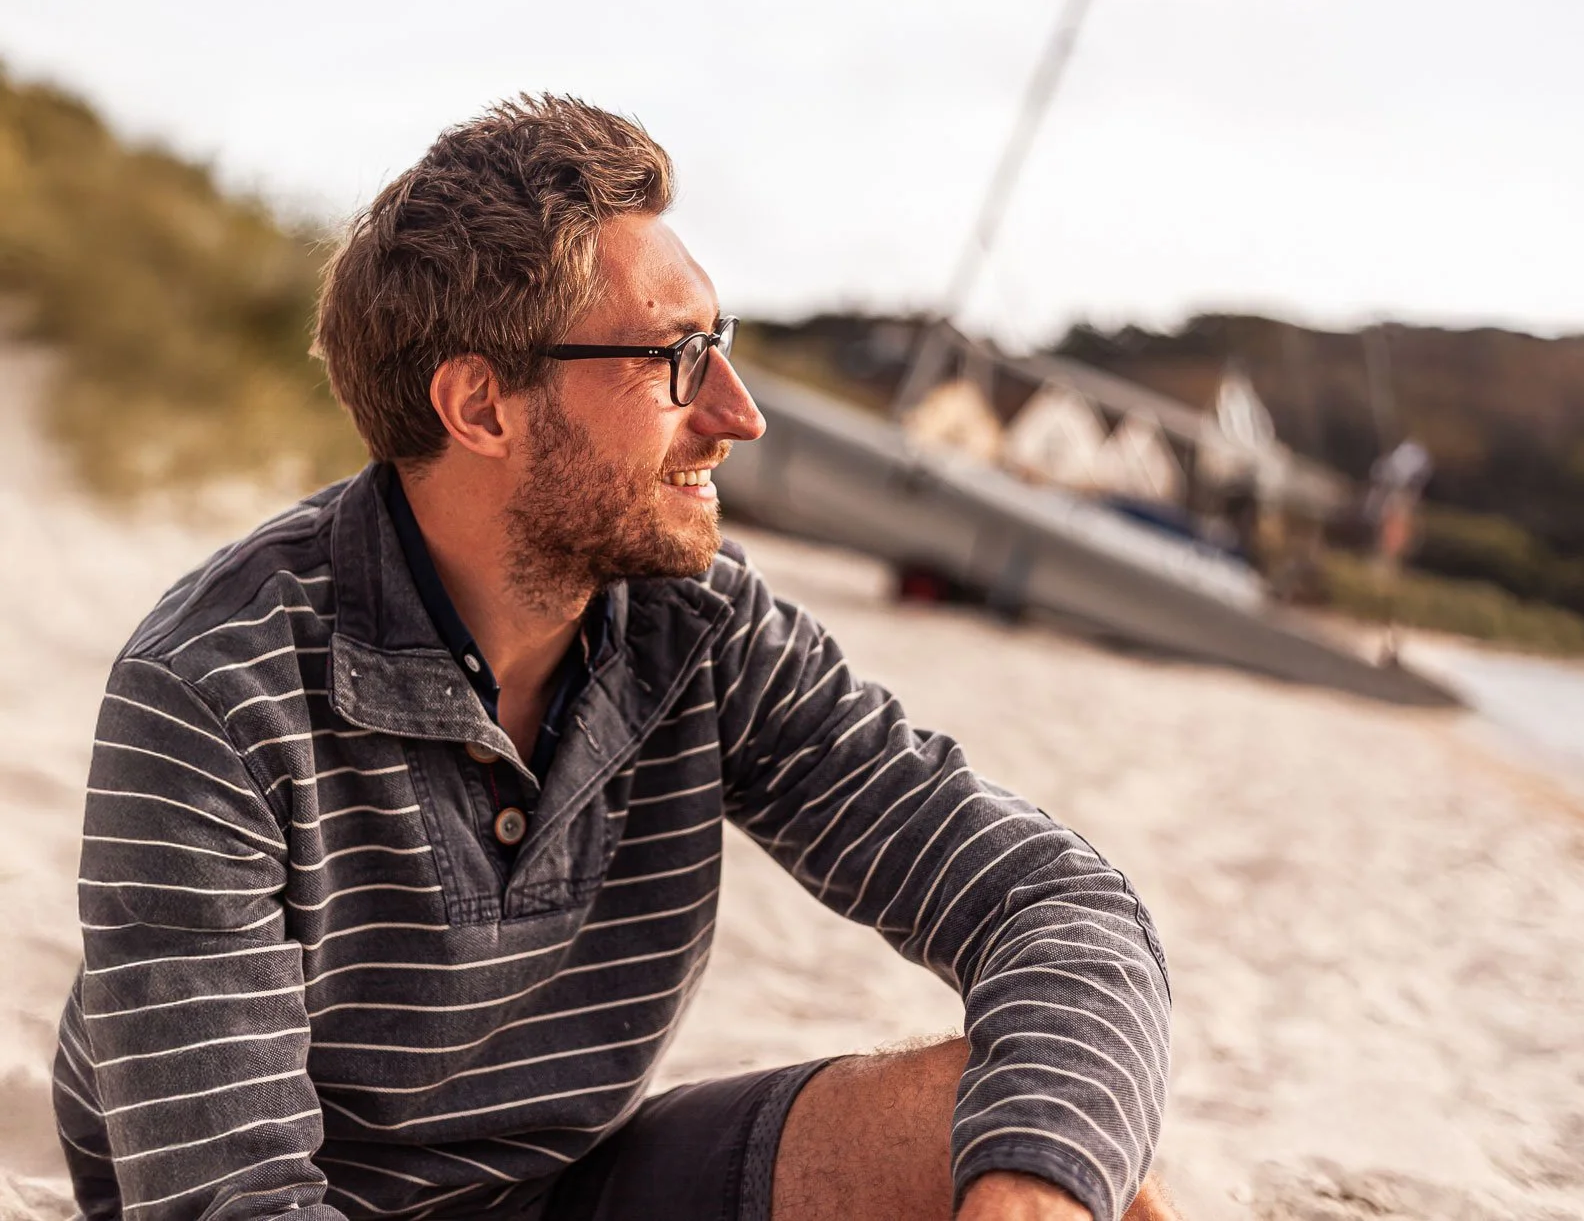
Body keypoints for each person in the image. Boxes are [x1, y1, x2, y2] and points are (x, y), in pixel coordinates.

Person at [52, 96, 1176, 1221]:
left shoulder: (700, 625)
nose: (736, 415)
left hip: (573, 1194)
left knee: (1047, 1136)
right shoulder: (213, 689)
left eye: (720, 347)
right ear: (481, 404)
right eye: (676, 359)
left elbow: (1057, 902)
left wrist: (1033, 1193)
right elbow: (229, 1203)